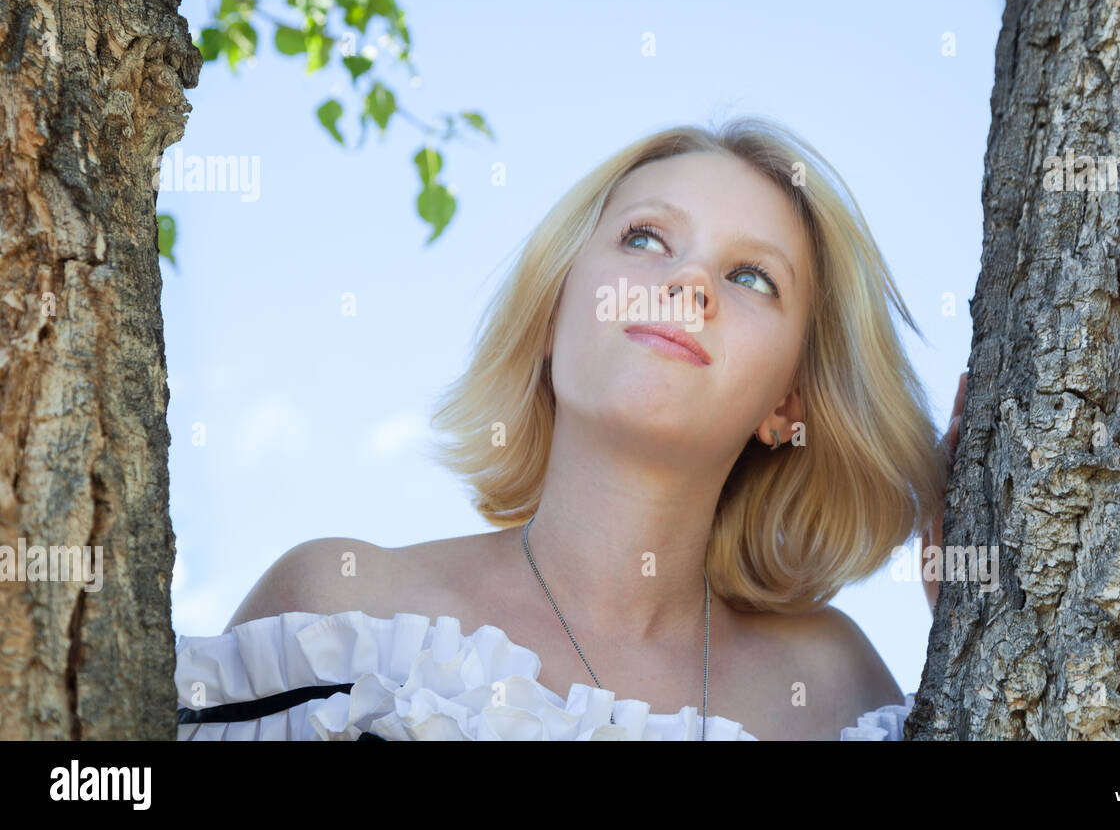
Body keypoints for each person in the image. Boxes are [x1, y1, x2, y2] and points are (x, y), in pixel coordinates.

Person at [174, 115, 967, 740]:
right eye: (646, 238)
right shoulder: (340, 609)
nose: (687, 281)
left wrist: (973, 623)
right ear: (553, 312)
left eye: (751, 276)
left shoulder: (842, 688)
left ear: (787, 404)